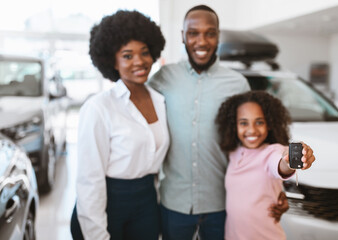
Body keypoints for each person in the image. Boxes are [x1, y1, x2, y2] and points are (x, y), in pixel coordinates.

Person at [149, 4, 315, 240]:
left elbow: (258, 147)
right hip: (174, 204)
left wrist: (278, 190)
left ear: (218, 35)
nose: (202, 41)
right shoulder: (162, 78)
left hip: (222, 207)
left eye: (210, 33)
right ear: (183, 36)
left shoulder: (237, 83)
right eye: (193, 33)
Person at [70, 10, 169, 240]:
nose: (139, 61)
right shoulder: (98, 108)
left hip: (146, 202)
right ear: (111, 61)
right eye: (127, 55)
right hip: (108, 202)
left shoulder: (160, 100)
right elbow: (89, 180)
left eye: (144, 53)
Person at [215, 91, 314, 239]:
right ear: (234, 126)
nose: (252, 130)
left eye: (259, 122)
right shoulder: (234, 152)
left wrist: (289, 160)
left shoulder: (271, 152)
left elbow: (280, 164)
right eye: (243, 123)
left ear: (269, 124)